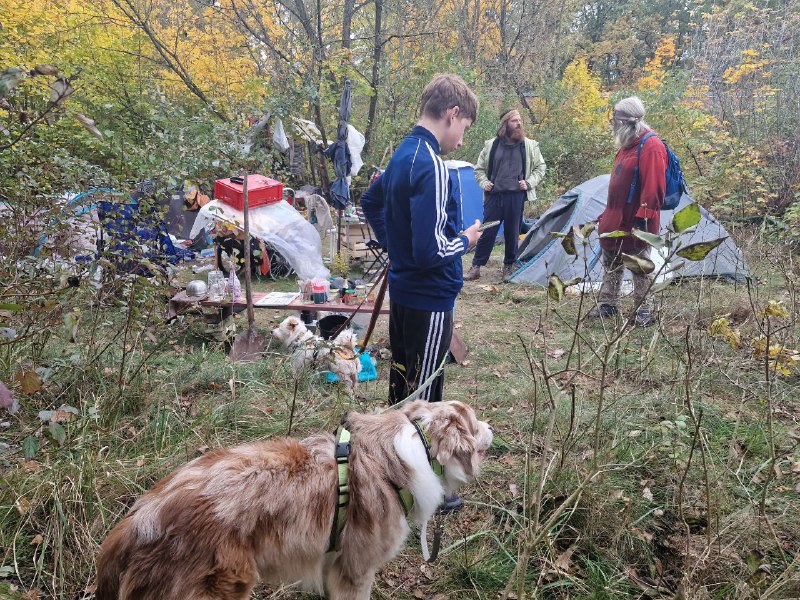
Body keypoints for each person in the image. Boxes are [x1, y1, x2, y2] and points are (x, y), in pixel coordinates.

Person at [360, 73, 482, 408]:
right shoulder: (433, 166)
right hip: (429, 299)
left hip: (403, 293)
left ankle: (391, 456)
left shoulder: (403, 155)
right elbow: (432, 251)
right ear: (452, 114)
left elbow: (370, 201)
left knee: (401, 385)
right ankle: (414, 458)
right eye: (465, 129)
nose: (460, 141)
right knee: (422, 402)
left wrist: (396, 248)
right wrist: (467, 240)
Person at [589, 96, 666, 327]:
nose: (612, 124)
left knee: (638, 264)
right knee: (611, 261)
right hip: (614, 218)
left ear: (625, 121)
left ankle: (645, 309)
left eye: (615, 120)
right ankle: (608, 304)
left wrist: (643, 220)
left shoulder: (651, 146)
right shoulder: (626, 144)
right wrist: (605, 216)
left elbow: (655, 187)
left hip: (636, 221)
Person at [464, 109, 546, 281]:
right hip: (494, 197)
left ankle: (508, 267)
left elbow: (540, 167)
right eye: (514, 120)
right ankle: (476, 267)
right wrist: (484, 182)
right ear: (505, 124)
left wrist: (529, 182)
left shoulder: (529, 145)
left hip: (516, 198)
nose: (519, 123)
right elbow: (479, 170)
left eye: (519, 120)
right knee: (487, 232)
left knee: (512, 232)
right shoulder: (491, 145)